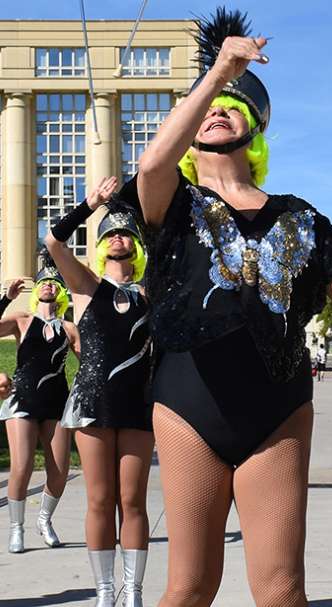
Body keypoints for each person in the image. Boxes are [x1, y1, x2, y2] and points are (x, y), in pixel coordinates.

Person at [126, 9, 332, 605]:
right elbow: (149, 165)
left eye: (231, 104)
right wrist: (219, 70)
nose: (218, 109)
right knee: (191, 587)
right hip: (190, 401)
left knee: (280, 590)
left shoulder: (300, 215)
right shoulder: (174, 204)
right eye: (207, 104)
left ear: (254, 125)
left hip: (278, 405)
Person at [46, 176, 154, 607]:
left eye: (126, 233)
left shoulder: (153, 290)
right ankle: (105, 591)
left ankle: (135, 592)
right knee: (100, 498)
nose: (117, 239)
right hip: (92, 403)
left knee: (132, 500)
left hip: (137, 405)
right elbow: (53, 243)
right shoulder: (87, 287)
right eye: (110, 234)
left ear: (138, 245)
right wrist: (89, 205)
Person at [0, 257, 80, 554]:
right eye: (44, 281)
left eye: (54, 282)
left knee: (58, 471)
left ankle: (44, 520)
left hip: (56, 402)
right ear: (37, 291)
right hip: (21, 400)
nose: (48, 285)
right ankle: (16, 528)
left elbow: (89, 365)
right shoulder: (22, 320)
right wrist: (5, 300)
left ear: (60, 291)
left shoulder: (70, 328)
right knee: (21, 467)